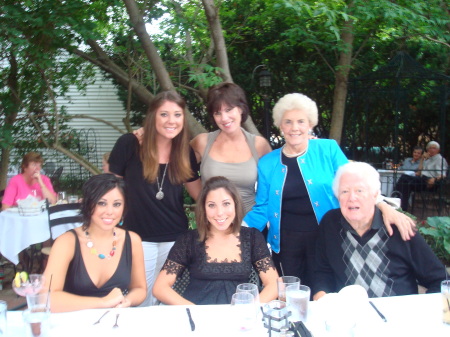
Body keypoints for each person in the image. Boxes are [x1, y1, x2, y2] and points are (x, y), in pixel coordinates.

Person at [244, 93, 416, 289]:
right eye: (288, 122)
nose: (294, 127)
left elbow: (354, 184)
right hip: (286, 244)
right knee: (291, 295)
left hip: (328, 235)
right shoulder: (268, 162)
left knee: (326, 291)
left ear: (310, 124)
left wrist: (384, 207)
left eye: (301, 121)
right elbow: (263, 207)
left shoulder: (328, 149)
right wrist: (236, 229)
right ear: (280, 126)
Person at [109, 91, 202, 306]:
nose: (172, 121)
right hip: (138, 237)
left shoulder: (184, 152)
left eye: (177, 115)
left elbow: (199, 195)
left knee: (164, 298)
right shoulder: (129, 144)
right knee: (140, 300)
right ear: (152, 116)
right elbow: (110, 190)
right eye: (164, 114)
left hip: (175, 238)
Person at [314, 162, 448, 299]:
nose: (352, 198)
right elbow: (322, 271)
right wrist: (322, 296)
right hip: (350, 315)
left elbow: (441, 281)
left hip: (397, 316)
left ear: (375, 195)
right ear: (337, 197)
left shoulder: (399, 227)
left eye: (360, 190)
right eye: (344, 191)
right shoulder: (330, 223)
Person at [152, 176, 279, 305]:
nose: (220, 212)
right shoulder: (188, 240)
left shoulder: (252, 237)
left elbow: (274, 285)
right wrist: (195, 310)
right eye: (212, 205)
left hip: (240, 318)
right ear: (203, 208)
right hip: (197, 316)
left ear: (235, 205)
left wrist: (249, 309)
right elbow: (160, 288)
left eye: (226, 204)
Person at [43, 174, 147, 312]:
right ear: (88, 204)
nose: (110, 212)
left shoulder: (132, 240)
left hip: (114, 321)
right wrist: (103, 302)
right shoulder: (67, 242)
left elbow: (139, 288)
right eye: (101, 203)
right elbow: (47, 298)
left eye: (117, 204)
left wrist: (127, 301)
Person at [190, 82, 272, 214]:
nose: (224, 118)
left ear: (240, 109)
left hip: (250, 224)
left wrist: (306, 144)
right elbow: (179, 164)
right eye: (218, 113)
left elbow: (275, 185)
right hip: (213, 224)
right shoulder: (202, 142)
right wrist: (203, 201)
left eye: (229, 110)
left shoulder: (259, 145)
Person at [395, 141, 448, 211]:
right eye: (430, 148)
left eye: (434, 148)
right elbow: (419, 172)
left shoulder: (440, 159)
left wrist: (434, 179)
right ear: (427, 150)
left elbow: (443, 174)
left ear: (438, 150)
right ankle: (401, 206)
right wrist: (422, 159)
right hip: (421, 179)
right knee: (404, 182)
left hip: (430, 183)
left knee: (404, 179)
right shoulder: (428, 159)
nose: (431, 150)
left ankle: (398, 202)